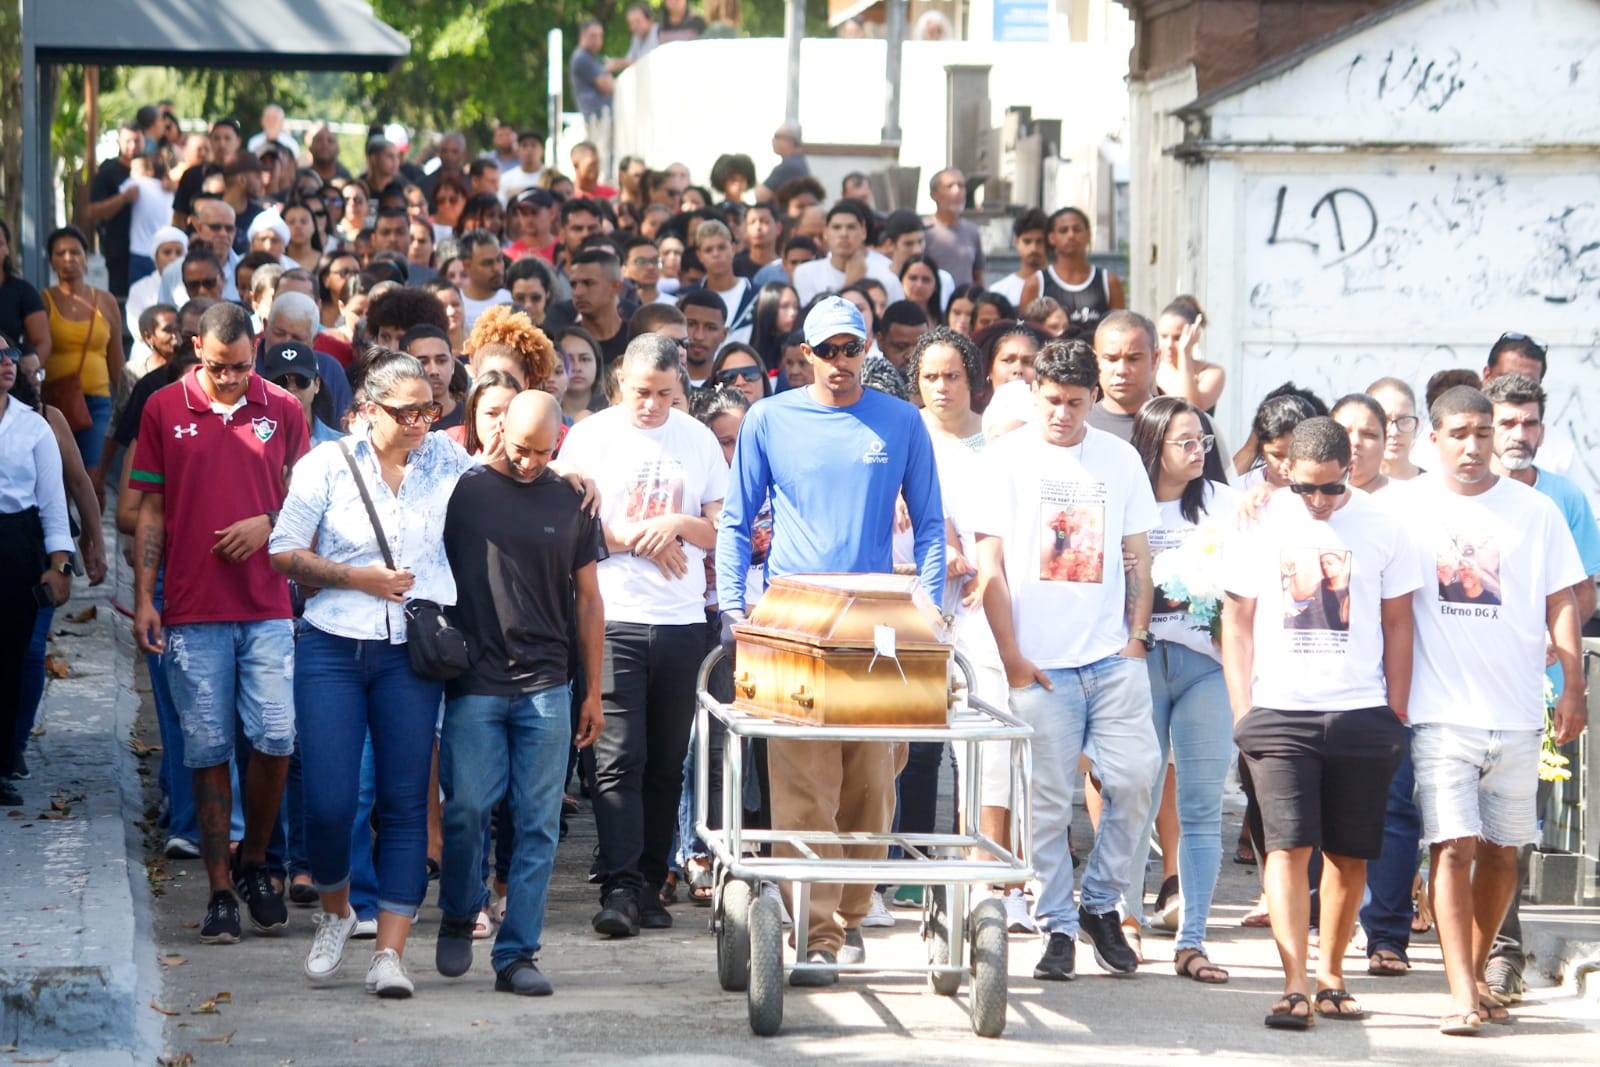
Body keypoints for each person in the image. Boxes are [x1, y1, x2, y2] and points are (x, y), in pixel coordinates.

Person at [716, 296, 945, 983]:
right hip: (793, 615)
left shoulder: (902, 420)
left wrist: (929, 608)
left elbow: (931, 523)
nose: (840, 363)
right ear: (804, 356)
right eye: (827, 350)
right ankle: (815, 934)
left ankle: (847, 917)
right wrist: (736, 607)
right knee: (800, 778)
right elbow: (736, 519)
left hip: (878, 617)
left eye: (851, 349)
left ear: (867, 350)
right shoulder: (768, 417)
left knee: (873, 781)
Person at [1399, 386, 1586, 1035]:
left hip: (1516, 710)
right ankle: (1459, 991)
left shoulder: (1533, 512)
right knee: (1453, 844)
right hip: (1439, 711)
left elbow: (1565, 599)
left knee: (1504, 852)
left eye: (1483, 433)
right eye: (1459, 434)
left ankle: (1474, 970)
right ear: (1434, 438)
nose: (1474, 446)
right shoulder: (1406, 506)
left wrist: (1573, 687)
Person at [1221, 416, 1417, 1029]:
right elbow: (1238, 620)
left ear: (1350, 470)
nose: (1319, 501)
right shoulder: (1260, 518)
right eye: (1306, 488)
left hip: (1362, 709)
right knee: (1286, 845)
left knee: (1347, 852)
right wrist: (1242, 710)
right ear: (1286, 472)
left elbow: (1398, 623)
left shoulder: (1385, 525)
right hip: (1278, 711)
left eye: (1332, 488)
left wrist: (1398, 711)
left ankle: (1333, 975)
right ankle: (1295, 982)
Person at [974, 338, 1159, 982]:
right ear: (1036, 395)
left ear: (1092, 398)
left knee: (1136, 780)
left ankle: (1101, 905)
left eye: (1075, 403)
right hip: (1041, 662)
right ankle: (1056, 923)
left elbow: (1140, 553)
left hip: (1111, 656)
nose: (1061, 414)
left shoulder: (1121, 458)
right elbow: (989, 565)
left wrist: (1136, 636)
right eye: (1051, 401)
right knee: (1048, 802)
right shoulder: (1005, 459)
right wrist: (1013, 658)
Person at [131, 302, 309, 944]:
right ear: (195, 349)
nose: (228, 378)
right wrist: (145, 596)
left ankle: (256, 860)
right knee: (206, 749)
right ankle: (218, 890)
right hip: (191, 608)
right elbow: (149, 510)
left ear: (256, 349)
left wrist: (268, 522)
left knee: (276, 737)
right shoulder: (163, 408)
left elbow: (306, 500)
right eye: (215, 367)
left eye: (239, 367)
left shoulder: (284, 411)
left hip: (265, 605)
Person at [434, 391, 606, 996]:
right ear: (497, 426)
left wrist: (593, 692)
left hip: (548, 684)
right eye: (520, 447)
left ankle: (517, 954)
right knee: (467, 809)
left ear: (561, 440)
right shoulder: (465, 488)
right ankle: (458, 909)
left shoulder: (573, 498)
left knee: (538, 825)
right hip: (476, 679)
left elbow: (589, 600)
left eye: (543, 450)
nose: (530, 461)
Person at [558, 333, 727, 938]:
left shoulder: (698, 438)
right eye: (639, 394)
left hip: (682, 621)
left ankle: (652, 881)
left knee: (665, 763)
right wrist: (638, 538)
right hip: (614, 615)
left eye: (664, 394)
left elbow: (718, 530)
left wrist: (676, 523)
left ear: (679, 386)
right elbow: (574, 524)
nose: (651, 406)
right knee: (615, 757)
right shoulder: (591, 436)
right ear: (618, 384)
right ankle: (621, 884)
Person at [1477, 372, 1600, 1003]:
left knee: (1513, 832)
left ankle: (1500, 957)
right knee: (1457, 832)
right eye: (1506, 422)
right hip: (1461, 691)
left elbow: (1581, 588)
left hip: (1538, 692)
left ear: (1543, 431)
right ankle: (1476, 954)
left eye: (1528, 423)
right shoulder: (1453, 496)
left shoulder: (1561, 501)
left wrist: (1556, 653)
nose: (1517, 435)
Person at [1124, 395, 1238, 981]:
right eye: (1185, 443)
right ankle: (1123, 924)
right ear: (1154, 447)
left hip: (1206, 669)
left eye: (1204, 442)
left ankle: (1192, 941)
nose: (1198, 452)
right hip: (1139, 663)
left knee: (1199, 806)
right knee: (1133, 798)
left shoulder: (1224, 505)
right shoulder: (1127, 500)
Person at [0, 344, 75, 805]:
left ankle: (3, 764)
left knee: (9, 659)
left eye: (8, 356)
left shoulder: (34, 427)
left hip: (15, 544)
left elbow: (53, 502)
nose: (6, 364)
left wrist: (59, 564)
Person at [44, 226, 126, 474]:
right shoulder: (42, 301)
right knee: (59, 478)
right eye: (60, 253)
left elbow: (116, 356)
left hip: (98, 402)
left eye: (74, 252)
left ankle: (92, 516)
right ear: (51, 260)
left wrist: (126, 401)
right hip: (56, 402)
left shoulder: (106, 300)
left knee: (93, 477)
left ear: (86, 257)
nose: (68, 259)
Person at [791, 200, 904, 306]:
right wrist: (851, 283)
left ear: (863, 232)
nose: (844, 234)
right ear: (825, 232)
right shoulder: (805, 273)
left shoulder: (886, 274)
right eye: (836, 227)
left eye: (851, 227)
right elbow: (810, 321)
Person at [1040, 207, 1124, 337]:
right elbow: (1029, 334)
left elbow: (1120, 331)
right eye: (1063, 230)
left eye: (1077, 229)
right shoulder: (1036, 283)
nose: (1071, 235)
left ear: (1088, 234)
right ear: (1051, 238)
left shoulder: (1109, 282)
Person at [86, 120, 145, 298]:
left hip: (148, 250)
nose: (133, 146)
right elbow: (93, 211)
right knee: (121, 300)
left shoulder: (155, 169)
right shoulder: (108, 172)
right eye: (128, 141)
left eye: (137, 140)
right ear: (119, 141)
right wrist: (123, 198)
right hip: (120, 250)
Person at [1153, 297, 1225, 412]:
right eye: (1164, 336)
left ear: (1193, 335)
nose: (1169, 344)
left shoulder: (1211, 372)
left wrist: (1184, 352)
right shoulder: (1154, 369)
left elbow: (1192, 408)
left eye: (1177, 337)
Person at [0, 220, 53, 362]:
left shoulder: (23, 291)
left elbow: (42, 342)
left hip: (10, 376)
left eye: (0, 244)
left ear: (7, 249)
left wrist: (25, 375)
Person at [923, 168, 984, 289]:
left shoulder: (972, 231)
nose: (957, 191)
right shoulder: (924, 231)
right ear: (934, 194)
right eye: (949, 186)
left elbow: (978, 276)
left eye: (961, 186)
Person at [403, 324, 465, 432]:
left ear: (453, 364)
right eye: (423, 362)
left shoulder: (471, 418)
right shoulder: (400, 423)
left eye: (441, 361)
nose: (434, 371)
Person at [570, 20, 616, 163]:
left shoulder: (589, 57)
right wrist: (609, 71)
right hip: (597, 119)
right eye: (593, 36)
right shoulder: (582, 57)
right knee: (601, 159)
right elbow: (608, 86)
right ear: (582, 35)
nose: (597, 40)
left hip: (598, 118)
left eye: (600, 36)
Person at [986, 209, 1049, 311]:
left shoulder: (1060, 287)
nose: (1033, 248)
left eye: (1039, 241)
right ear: (1017, 242)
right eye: (1027, 241)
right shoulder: (999, 291)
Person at [1367, 377, 1423, 481]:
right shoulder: (1346, 489)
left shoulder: (1435, 489)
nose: (1394, 432)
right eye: (1384, 420)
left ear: (1416, 426)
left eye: (1404, 420)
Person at [756, 123, 809, 205]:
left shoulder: (788, 166)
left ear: (790, 141)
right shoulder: (798, 161)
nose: (773, 140)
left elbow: (761, 196)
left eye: (777, 136)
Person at [498, 131, 546, 206]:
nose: (529, 150)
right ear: (518, 151)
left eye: (533, 145)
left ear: (543, 151)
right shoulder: (505, 178)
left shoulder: (552, 176)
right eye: (524, 145)